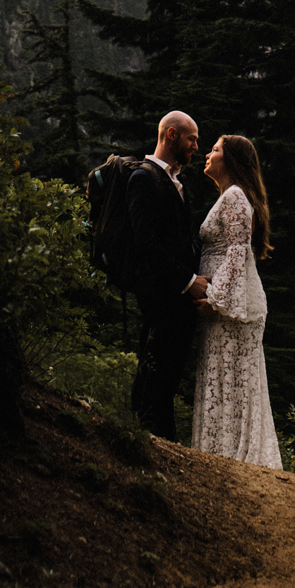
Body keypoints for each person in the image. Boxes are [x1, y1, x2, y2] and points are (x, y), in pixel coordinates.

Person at [191, 133, 281, 468]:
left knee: (231, 382)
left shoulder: (234, 197)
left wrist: (214, 298)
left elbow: (238, 253)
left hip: (232, 308)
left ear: (229, 159)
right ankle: (223, 455)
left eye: (214, 150)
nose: (207, 155)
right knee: (227, 381)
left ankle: (231, 459)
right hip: (231, 304)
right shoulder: (232, 196)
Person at [127, 111, 209, 439]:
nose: (196, 147)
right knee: (156, 368)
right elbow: (146, 243)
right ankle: (152, 439)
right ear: (171, 135)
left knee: (170, 370)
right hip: (160, 295)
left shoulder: (177, 182)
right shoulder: (143, 178)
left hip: (176, 297)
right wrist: (188, 282)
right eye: (192, 139)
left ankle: (161, 439)